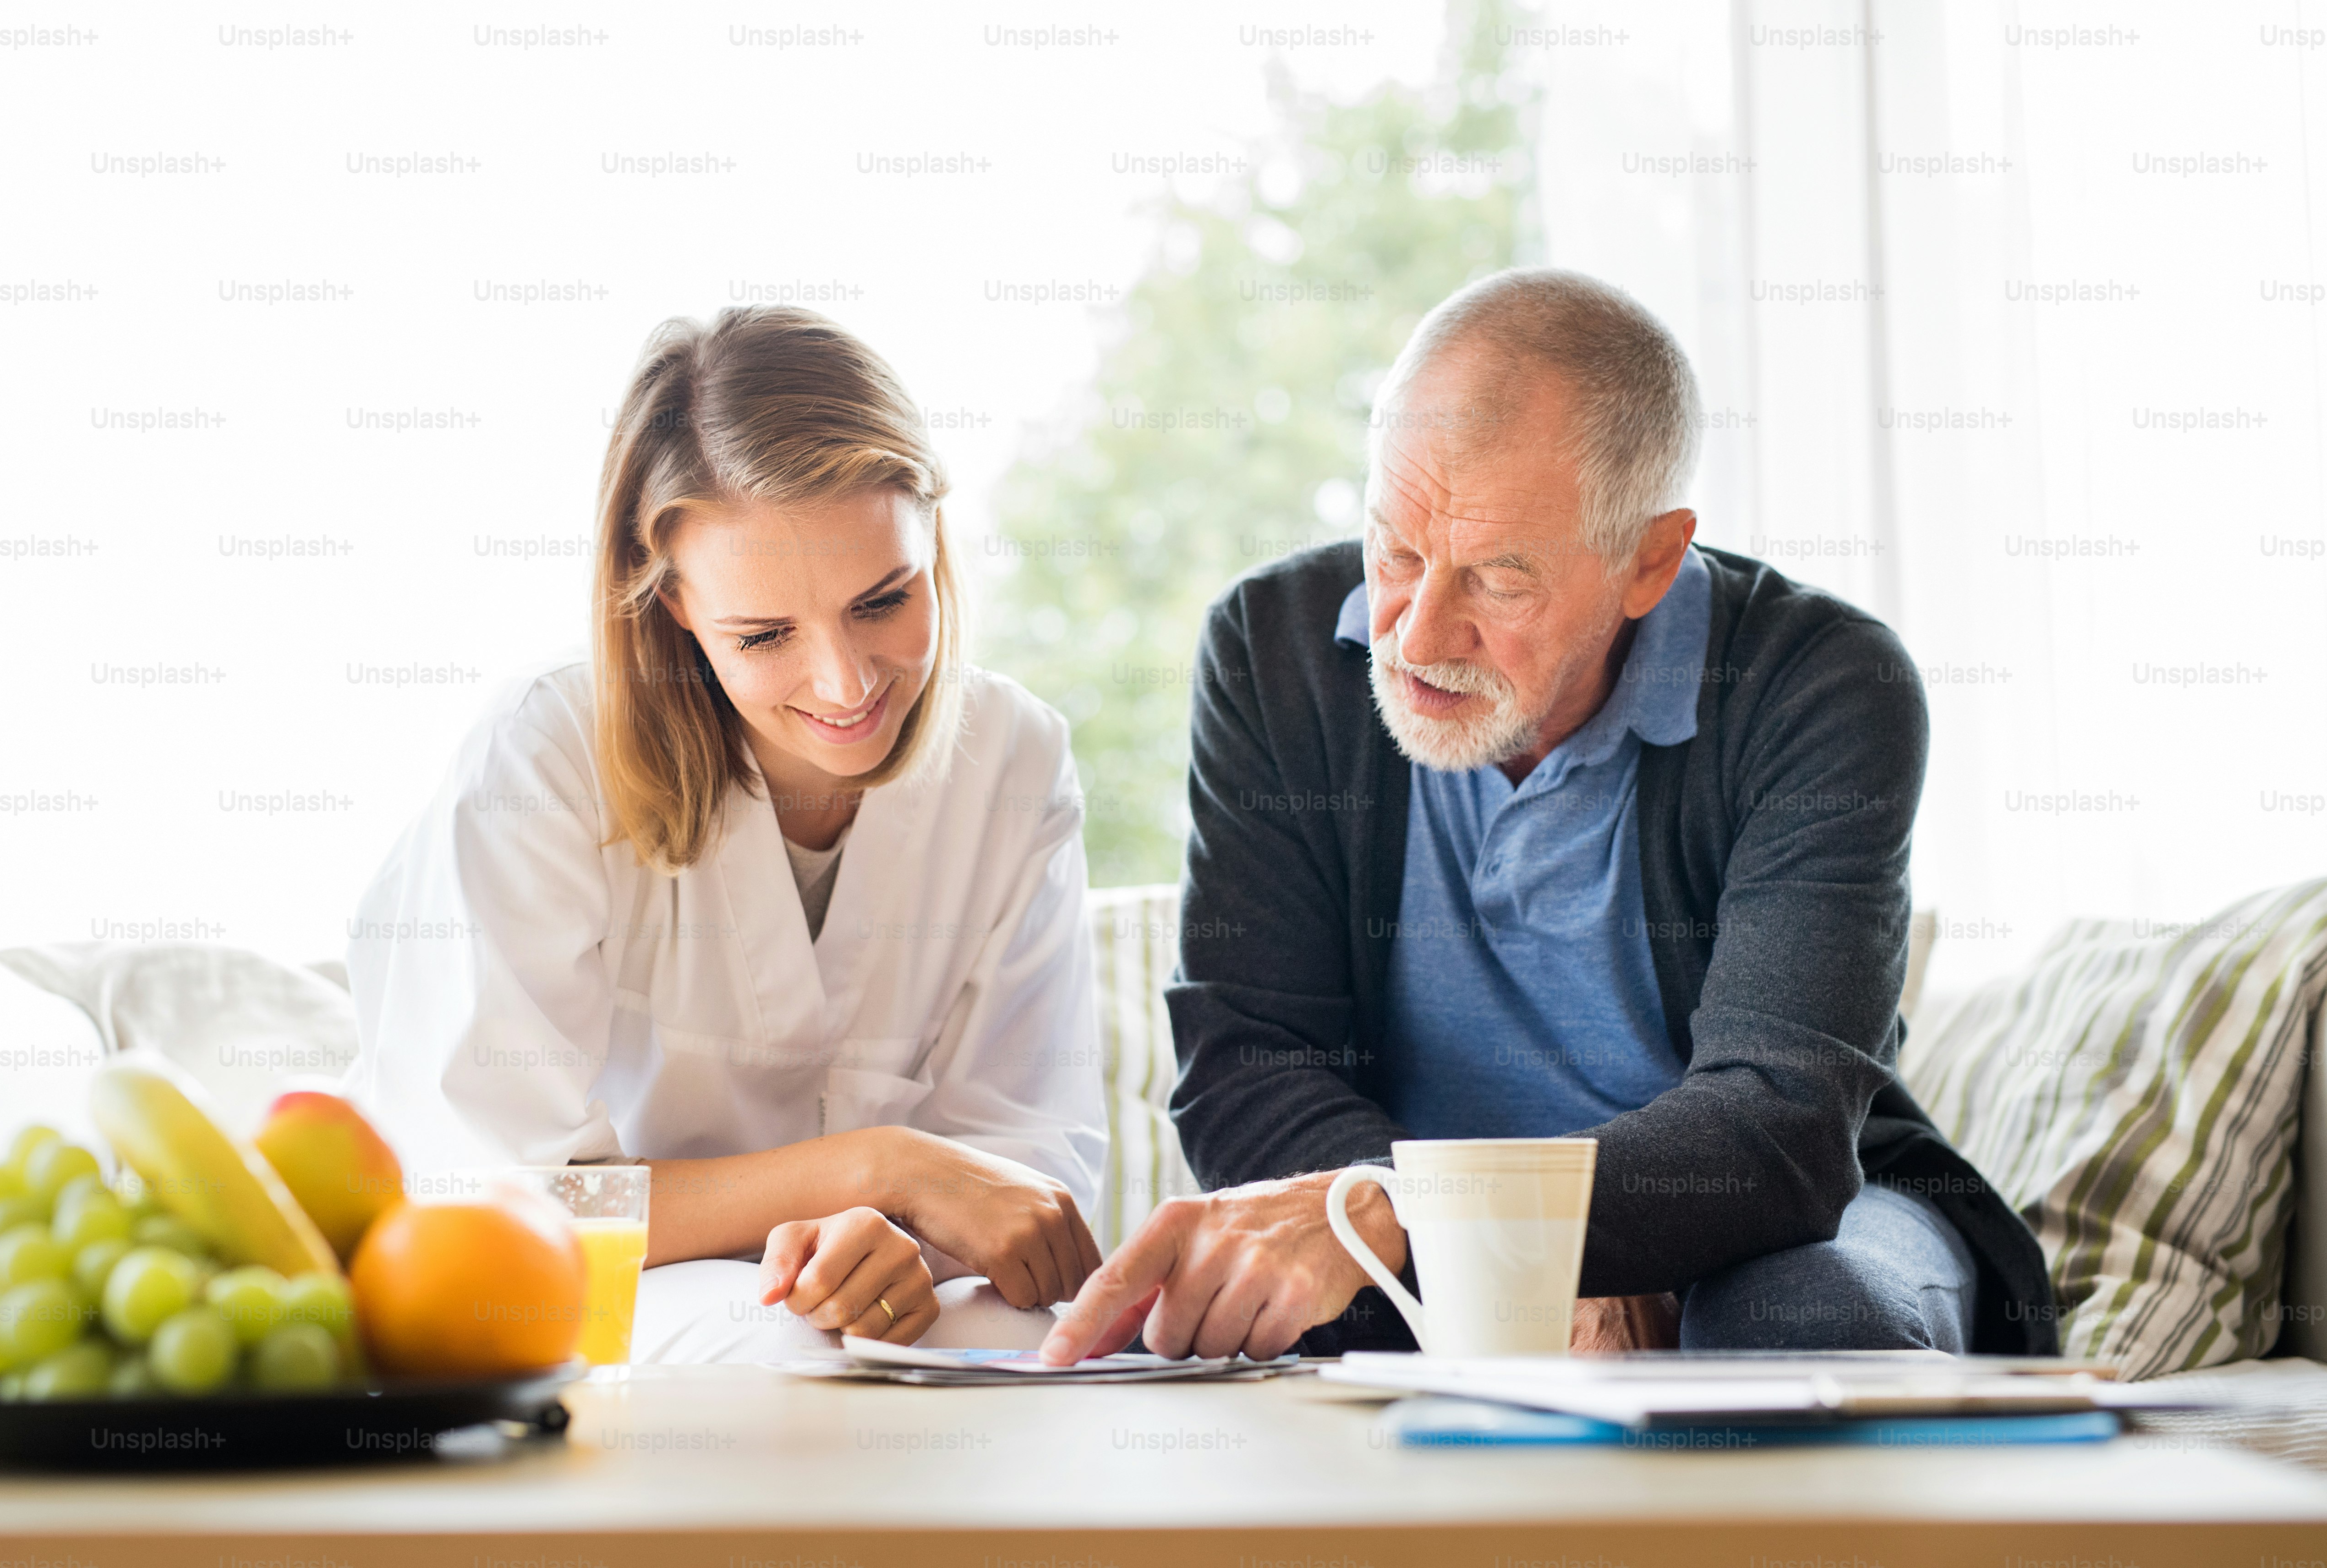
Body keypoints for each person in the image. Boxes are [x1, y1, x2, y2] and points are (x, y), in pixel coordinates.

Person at [1042, 267, 2056, 1366]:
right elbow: (1255, 1057)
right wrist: (1481, 1257)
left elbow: (1780, 1125)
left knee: (1808, 1326)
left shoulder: (1821, 684)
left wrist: (1464, 1227)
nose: (1420, 634)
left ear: (1650, 560)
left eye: (1500, 579)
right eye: (1397, 550)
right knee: (1258, 1311)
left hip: (1776, 1229)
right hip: (1400, 1239)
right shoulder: (1271, 649)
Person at [347, 306, 1105, 1359]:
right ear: (672, 611)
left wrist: (883, 1233)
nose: (845, 683)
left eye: (884, 599)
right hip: (600, 1288)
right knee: (795, 1363)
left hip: (901, 1281)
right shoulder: (546, 755)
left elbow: (1027, 1173)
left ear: (933, 535)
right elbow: (503, 1198)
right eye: (764, 635)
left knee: (1035, 1340)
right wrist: (872, 1169)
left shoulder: (1014, 756)